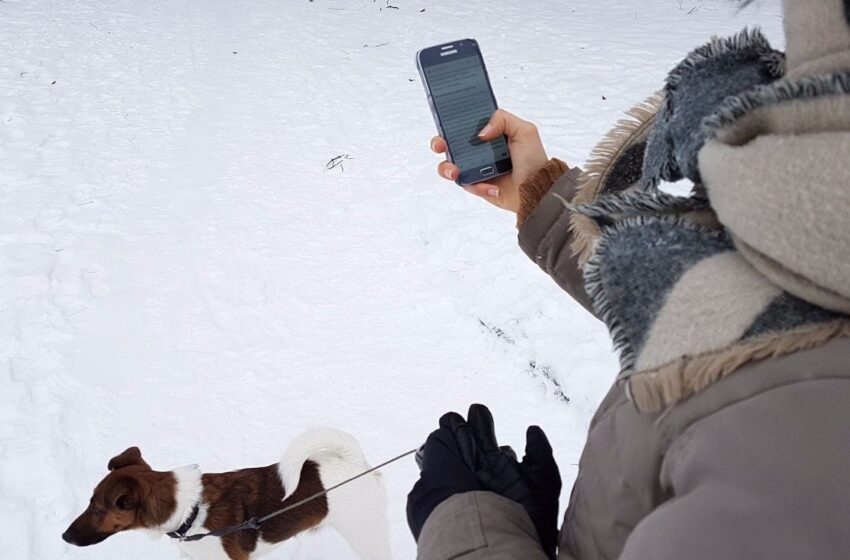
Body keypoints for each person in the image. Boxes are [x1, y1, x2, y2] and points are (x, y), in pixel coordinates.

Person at [407, 0, 850, 558]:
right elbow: (715, 299)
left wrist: (468, 521)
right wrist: (540, 197)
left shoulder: (810, 435)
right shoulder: (812, 230)